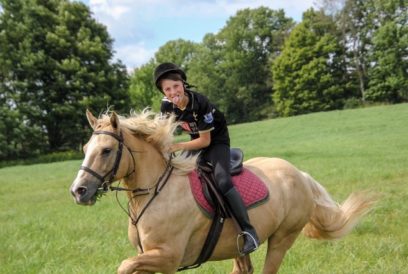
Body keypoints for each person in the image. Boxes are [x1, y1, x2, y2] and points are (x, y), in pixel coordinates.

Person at [154, 62, 259, 255]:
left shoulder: (200, 103)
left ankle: (248, 232)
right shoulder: (167, 105)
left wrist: (177, 146)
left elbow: (204, 141)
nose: (173, 91)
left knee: (223, 180)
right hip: (195, 139)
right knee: (174, 170)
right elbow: (161, 132)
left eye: (176, 86)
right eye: (167, 89)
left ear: (183, 84)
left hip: (215, 141)